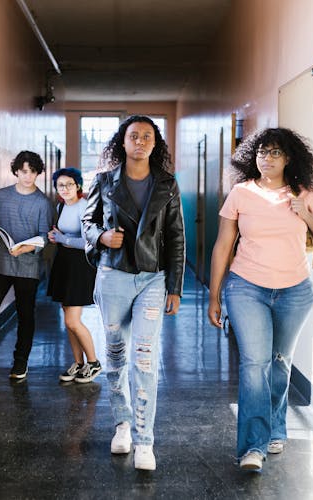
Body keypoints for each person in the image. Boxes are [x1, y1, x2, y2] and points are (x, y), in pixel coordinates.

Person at [207, 128, 313, 472]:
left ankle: (276, 427)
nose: (267, 158)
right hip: (246, 287)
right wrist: (214, 295)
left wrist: (306, 214)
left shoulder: (303, 192)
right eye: (262, 152)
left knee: (280, 362)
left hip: (294, 290)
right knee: (254, 365)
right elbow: (223, 245)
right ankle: (253, 446)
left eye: (275, 153)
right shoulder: (240, 193)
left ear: (289, 158)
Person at [82, 115, 185, 471]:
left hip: (152, 280)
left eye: (147, 136)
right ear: (122, 142)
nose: (139, 141)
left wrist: (175, 286)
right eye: (133, 136)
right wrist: (101, 238)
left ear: (155, 144)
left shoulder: (167, 184)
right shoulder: (104, 182)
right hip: (113, 278)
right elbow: (87, 222)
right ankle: (122, 424)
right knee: (116, 356)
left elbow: (175, 237)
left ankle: (144, 440)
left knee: (144, 356)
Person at [0, 151, 52, 380]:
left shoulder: (43, 202)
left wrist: (25, 248)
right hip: (0, 263)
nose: (28, 176)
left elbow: (45, 237)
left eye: (33, 172)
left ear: (37, 173)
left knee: (25, 315)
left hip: (28, 266)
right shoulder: (2, 195)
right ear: (16, 171)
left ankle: (20, 362)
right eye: (24, 171)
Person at [47, 167, 102, 384]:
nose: (65, 188)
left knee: (73, 320)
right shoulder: (61, 206)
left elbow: (89, 241)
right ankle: (79, 364)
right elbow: (64, 235)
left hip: (80, 266)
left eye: (70, 184)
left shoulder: (84, 207)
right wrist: (56, 237)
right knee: (67, 320)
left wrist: (63, 240)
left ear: (78, 185)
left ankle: (94, 362)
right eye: (61, 185)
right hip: (63, 263)